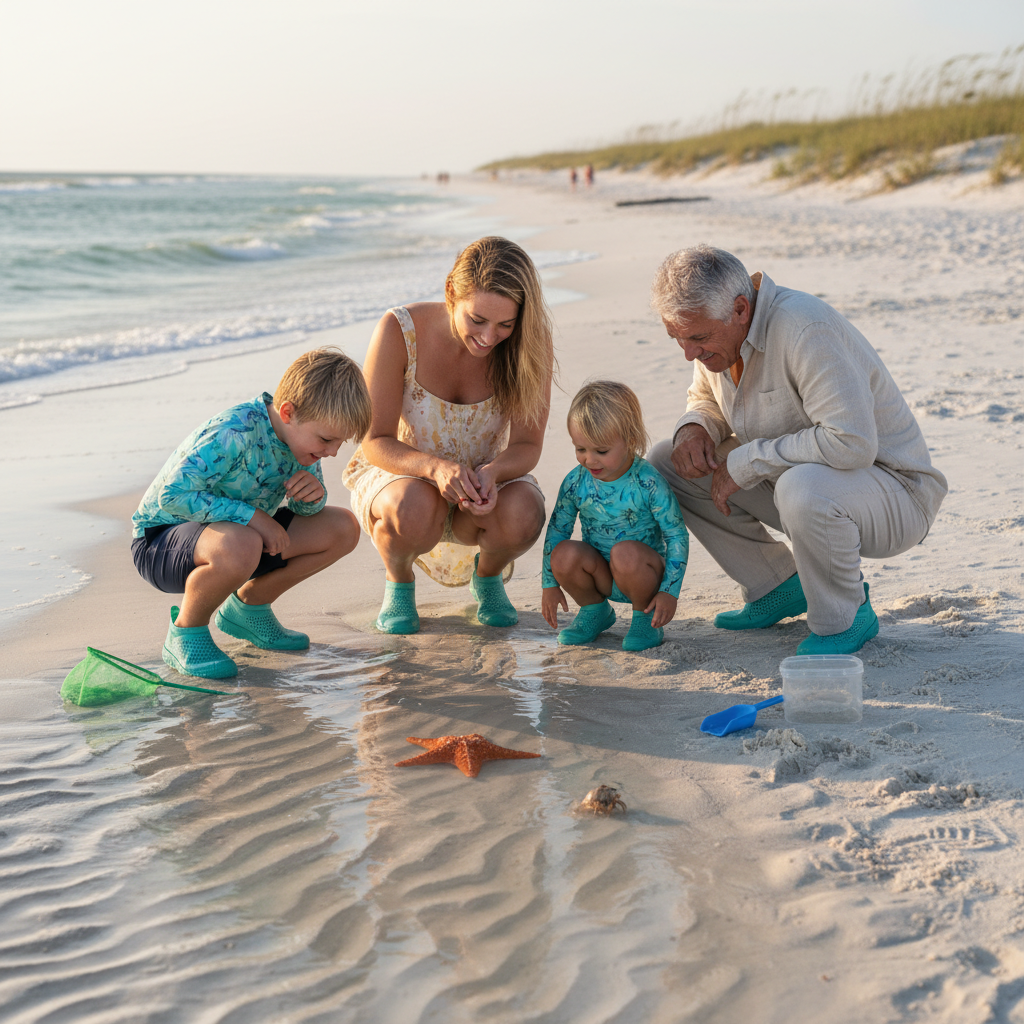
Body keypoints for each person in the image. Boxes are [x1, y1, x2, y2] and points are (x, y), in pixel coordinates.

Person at [647, 244, 948, 655]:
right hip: (808, 484)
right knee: (667, 461)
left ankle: (845, 616)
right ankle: (777, 584)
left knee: (801, 487)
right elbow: (706, 396)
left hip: (896, 494)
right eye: (676, 338)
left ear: (740, 309)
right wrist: (695, 427)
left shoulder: (804, 328)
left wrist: (749, 461)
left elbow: (853, 443)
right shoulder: (716, 332)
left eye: (697, 338)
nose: (688, 353)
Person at [343, 236, 553, 634]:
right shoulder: (398, 330)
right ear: (451, 293)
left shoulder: (530, 343)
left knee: (526, 511)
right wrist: (434, 469)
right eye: (477, 319)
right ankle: (400, 582)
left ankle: (488, 577)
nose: (489, 337)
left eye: (505, 324)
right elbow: (374, 440)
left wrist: (492, 474)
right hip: (402, 477)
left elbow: (527, 445)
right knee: (412, 505)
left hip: (479, 485)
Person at [131, 348, 372, 679]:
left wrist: (312, 498)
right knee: (242, 540)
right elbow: (171, 495)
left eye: (339, 444)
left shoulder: (301, 440)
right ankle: (185, 632)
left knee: (343, 527)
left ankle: (249, 609)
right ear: (288, 411)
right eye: (327, 439)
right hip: (161, 543)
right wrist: (255, 518)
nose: (331, 452)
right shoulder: (235, 431)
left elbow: (303, 509)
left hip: (241, 543)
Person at [541, 380, 689, 651]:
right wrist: (549, 583)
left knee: (624, 553)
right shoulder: (576, 482)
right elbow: (557, 531)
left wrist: (670, 591)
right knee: (562, 552)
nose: (589, 460)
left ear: (630, 441)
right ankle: (594, 610)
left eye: (601, 451)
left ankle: (644, 617)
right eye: (580, 449)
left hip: (643, 576)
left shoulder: (648, 482)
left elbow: (676, 533)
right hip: (601, 576)